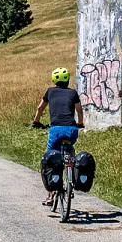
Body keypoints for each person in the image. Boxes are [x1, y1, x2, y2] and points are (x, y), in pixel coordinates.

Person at [32, 67, 83, 204]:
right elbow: (79, 110)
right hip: (72, 130)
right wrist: (80, 123)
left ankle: (50, 196)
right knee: (70, 148)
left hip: (56, 130)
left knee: (51, 159)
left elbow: (40, 108)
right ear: (67, 80)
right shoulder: (73, 93)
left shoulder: (50, 91)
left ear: (54, 80)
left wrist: (36, 122)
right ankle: (71, 177)